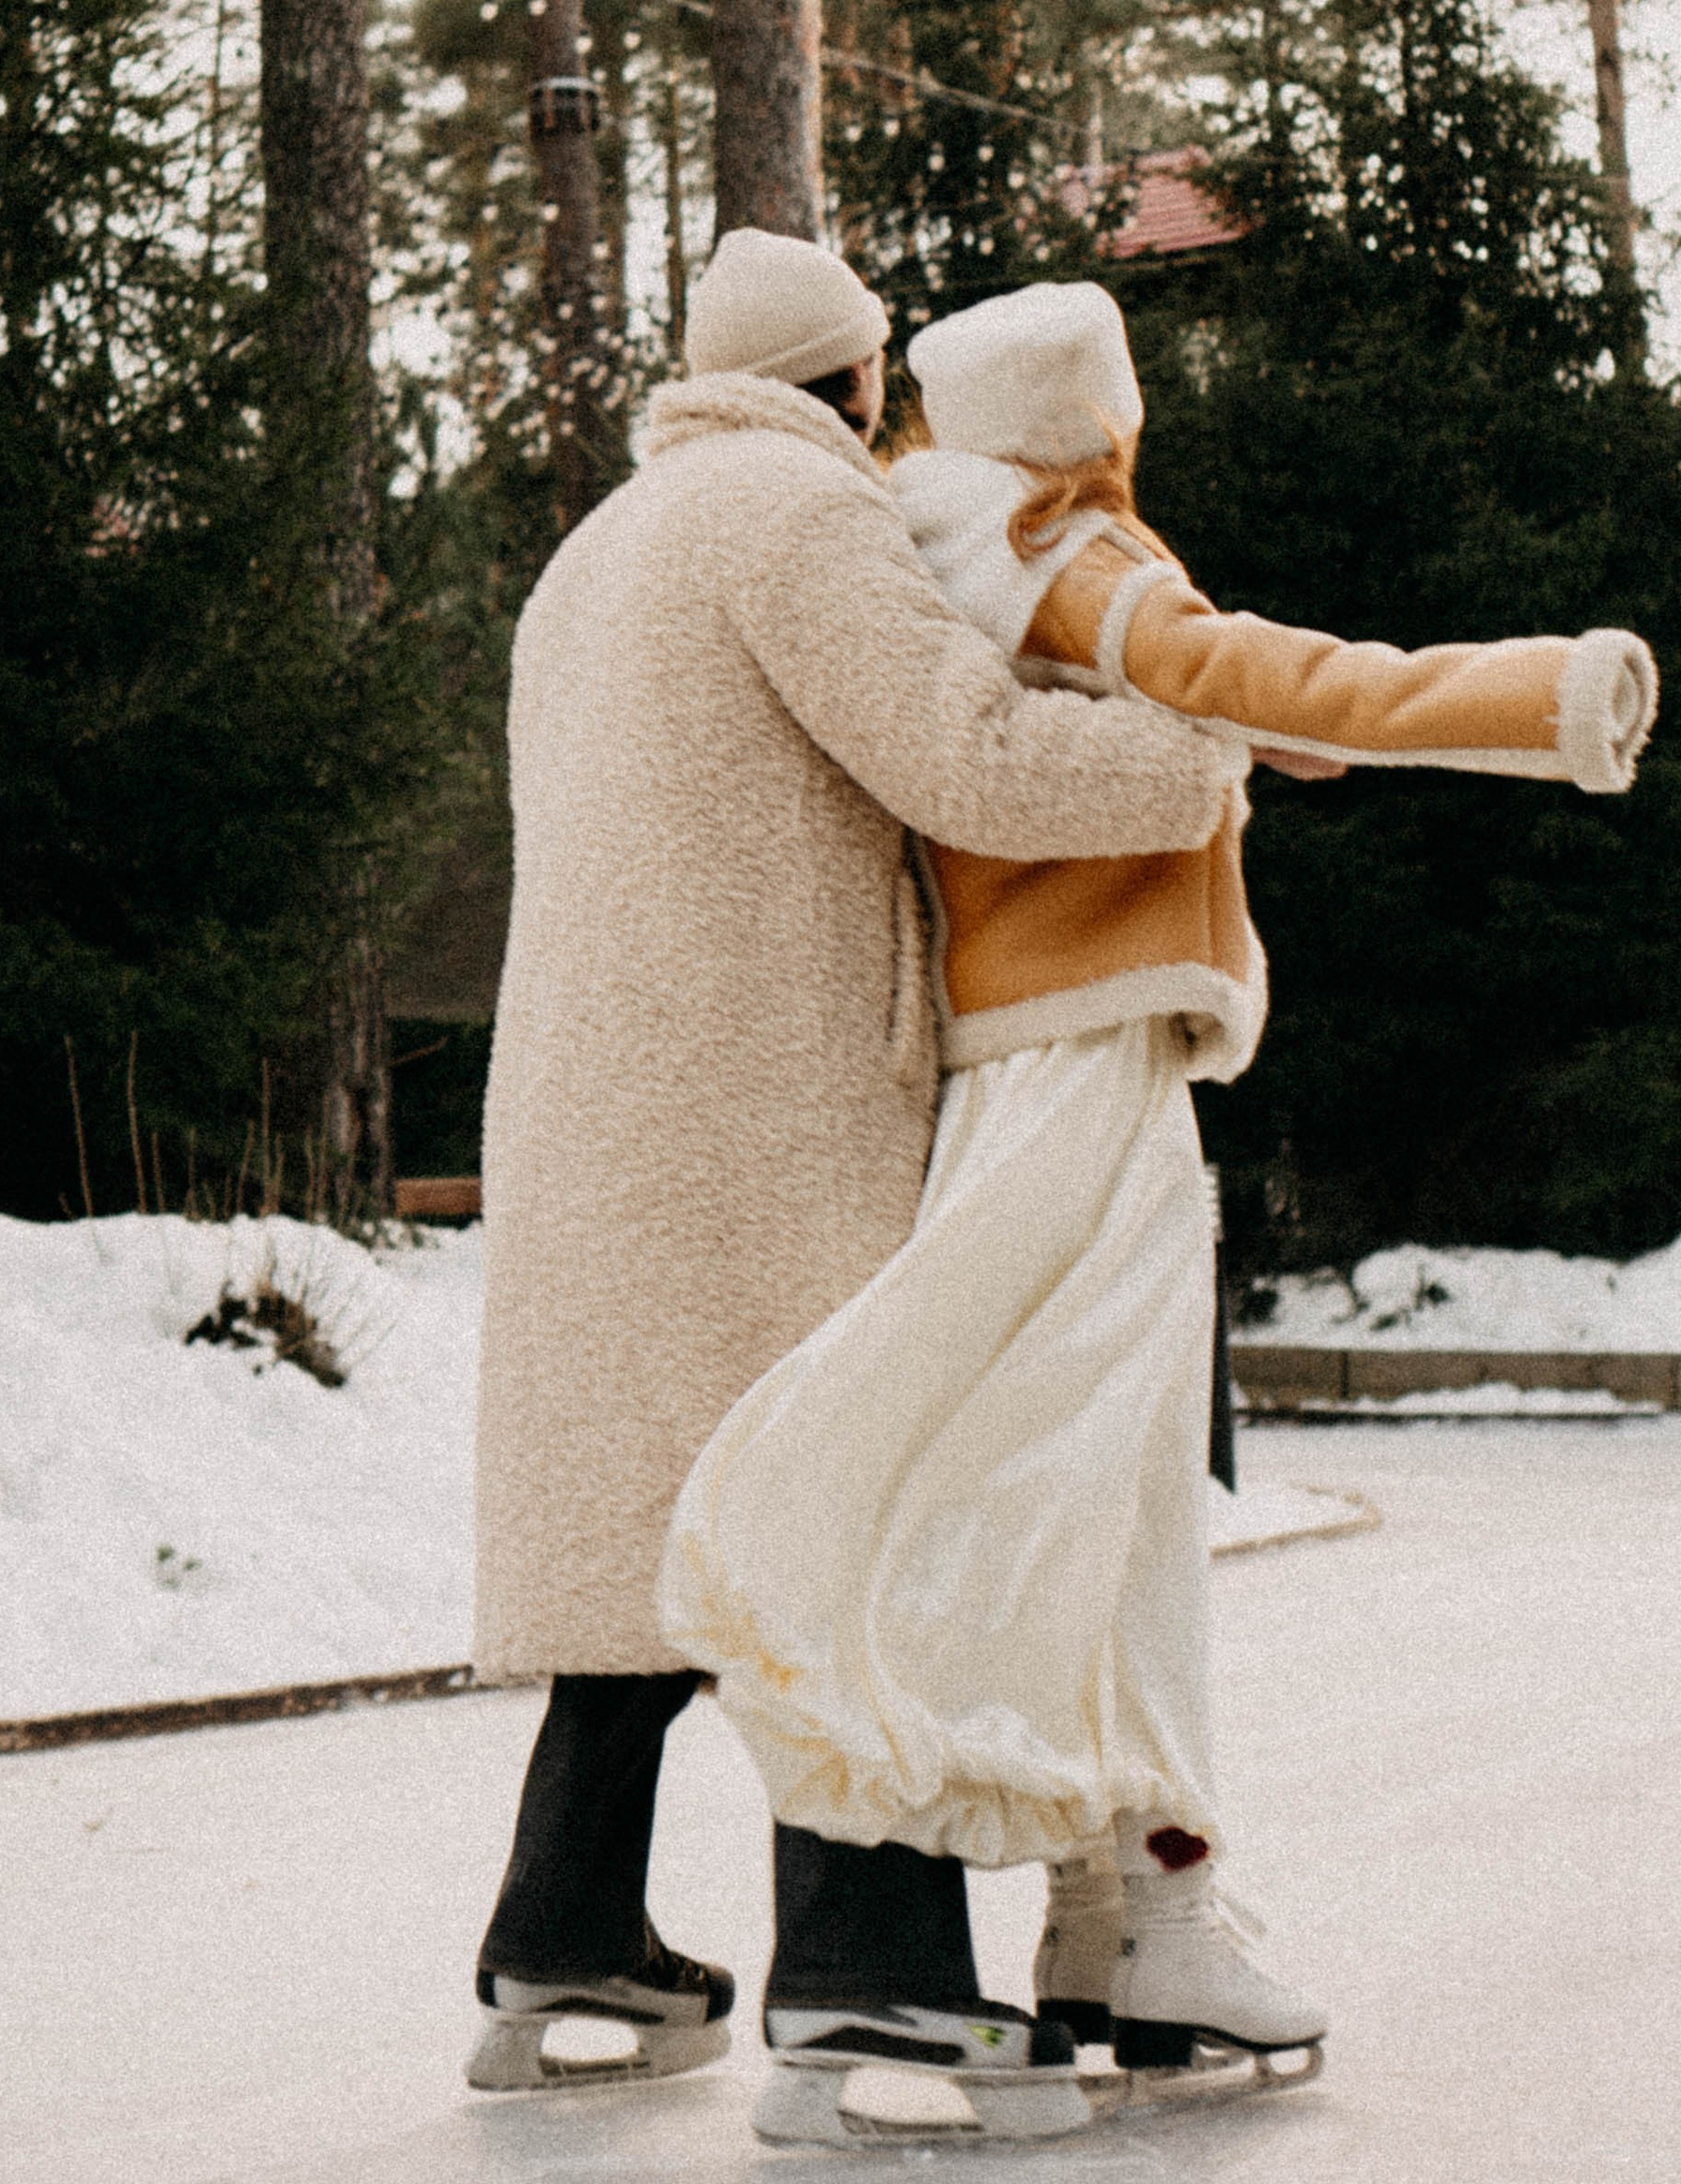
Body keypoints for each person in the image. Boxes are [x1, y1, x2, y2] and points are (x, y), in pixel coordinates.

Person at [662, 279, 1659, 2106]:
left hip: (1031, 1064)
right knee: (1062, 1481)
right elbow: (1264, 670)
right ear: (1093, 425)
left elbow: (1197, 701)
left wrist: (1230, 729)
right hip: (1086, 1071)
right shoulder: (1072, 549)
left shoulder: (950, 535)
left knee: (1102, 1493)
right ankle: (1079, 1895)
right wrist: (1542, 694)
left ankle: (1129, 1918)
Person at [464, 233, 1252, 2129]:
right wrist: (1188, 760)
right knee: (844, 1509)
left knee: (656, 1525)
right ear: (846, 382)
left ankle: (558, 1934)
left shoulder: (598, 550)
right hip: (761, 1096)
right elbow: (956, 752)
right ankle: (867, 1987)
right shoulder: (800, 522)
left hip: (587, 1103)